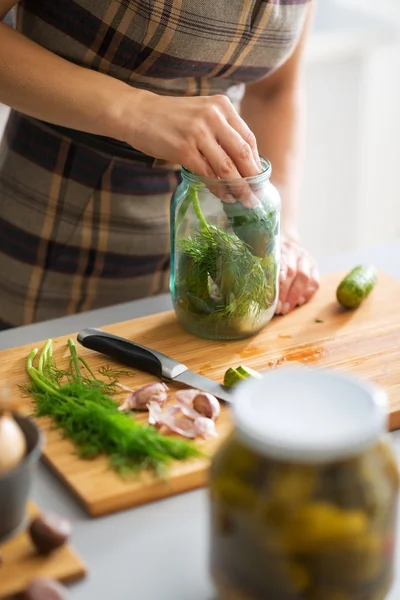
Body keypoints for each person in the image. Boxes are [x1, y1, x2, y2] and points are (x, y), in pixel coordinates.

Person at [0, 0, 319, 330]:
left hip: (209, 259)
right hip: (52, 237)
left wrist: (279, 233)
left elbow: (273, 92)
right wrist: (135, 111)